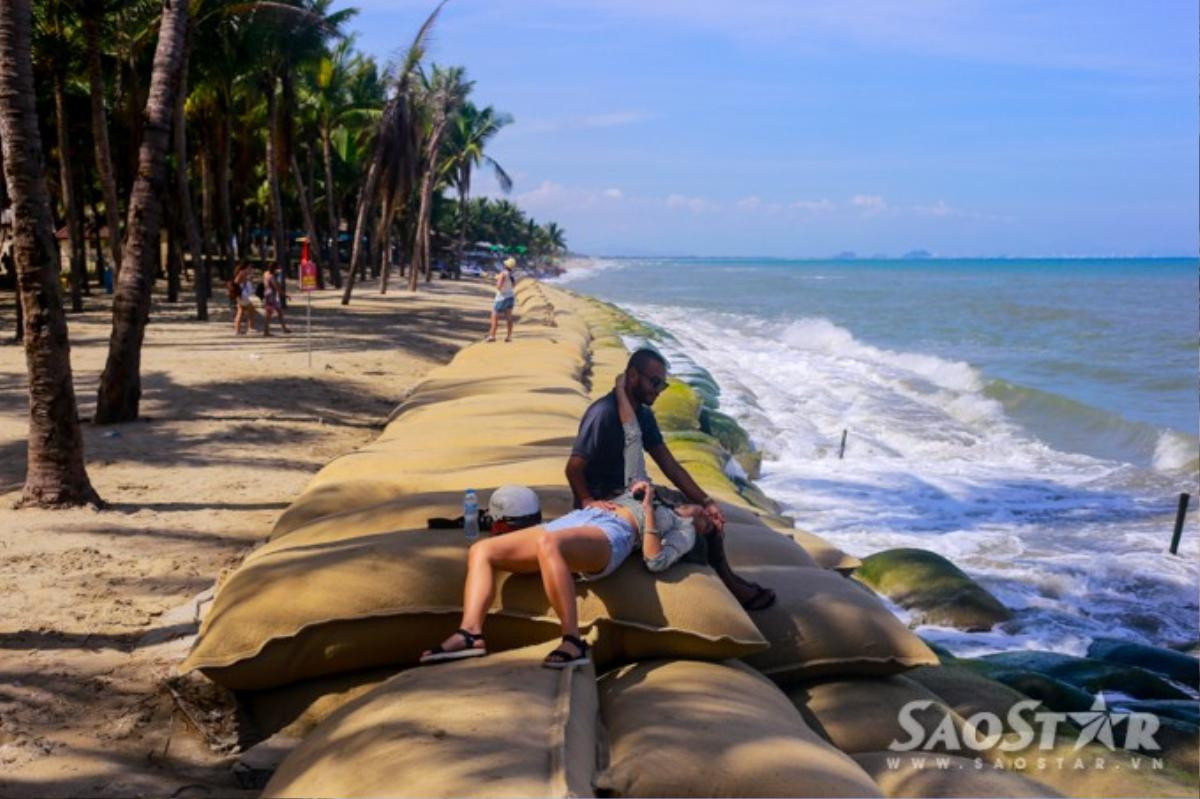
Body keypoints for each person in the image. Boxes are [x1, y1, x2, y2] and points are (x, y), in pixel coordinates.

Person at [419, 467, 717, 670]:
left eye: (711, 523)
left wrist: (648, 510)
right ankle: (470, 633)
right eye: (709, 513)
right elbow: (632, 432)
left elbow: (655, 560)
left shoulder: (684, 529)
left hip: (613, 534)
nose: (708, 516)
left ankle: (573, 641)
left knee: (551, 544)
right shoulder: (660, 494)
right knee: (482, 549)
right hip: (573, 521)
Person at [565, 348, 776, 610]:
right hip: (612, 502)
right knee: (696, 519)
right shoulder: (604, 413)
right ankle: (730, 585)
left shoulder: (642, 414)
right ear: (632, 376)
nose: (658, 390)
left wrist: (707, 500)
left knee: (704, 512)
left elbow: (671, 466)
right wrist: (587, 501)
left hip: (633, 492)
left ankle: (726, 578)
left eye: (662, 384)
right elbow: (573, 467)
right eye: (654, 382)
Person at [486, 257, 516, 342]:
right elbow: (513, 286)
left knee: (494, 317)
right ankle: (509, 337)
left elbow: (499, 287)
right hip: (510, 297)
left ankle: (492, 336)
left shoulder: (503, 274)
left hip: (501, 298)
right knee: (509, 318)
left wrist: (495, 282)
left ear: (505, 265)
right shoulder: (512, 275)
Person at [261, 263, 290, 336]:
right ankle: (266, 331)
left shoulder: (265, 273)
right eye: (278, 268)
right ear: (275, 268)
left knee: (279, 312)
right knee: (269, 315)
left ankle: (284, 328)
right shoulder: (272, 276)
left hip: (267, 294)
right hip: (271, 296)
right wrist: (285, 295)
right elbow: (277, 287)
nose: (279, 270)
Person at [232, 263, 259, 335]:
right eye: (249, 267)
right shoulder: (242, 273)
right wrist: (239, 291)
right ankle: (250, 327)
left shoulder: (243, 273)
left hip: (241, 295)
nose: (250, 268)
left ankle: (238, 330)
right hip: (243, 295)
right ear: (246, 267)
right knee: (251, 310)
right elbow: (236, 282)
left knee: (240, 312)